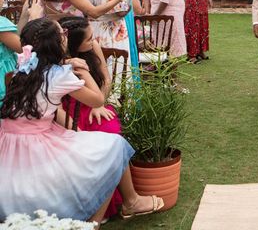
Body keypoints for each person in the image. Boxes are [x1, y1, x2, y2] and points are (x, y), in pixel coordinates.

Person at [0, 18, 164, 224]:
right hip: (36, 148)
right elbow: (98, 99)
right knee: (114, 147)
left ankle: (117, 208)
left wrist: (66, 62)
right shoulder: (59, 75)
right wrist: (82, 70)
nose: (65, 36)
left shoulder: (21, 68)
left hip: (8, 146)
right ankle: (93, 223)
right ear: (58, 43)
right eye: (62, 34)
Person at [59, 16, 123, 220]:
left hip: (95, 101)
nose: (93, 40)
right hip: (67, 108)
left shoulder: (94, 46)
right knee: (81, 142)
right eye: (88, 39)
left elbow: (105, 79)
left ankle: (108, 204)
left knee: (108, 129)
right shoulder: (60, 55)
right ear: (73, 44)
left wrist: (100, 103)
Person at [0, 0, 20, 106]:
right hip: (4, 81)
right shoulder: (1, 24)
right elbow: (24, 47)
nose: (3, 0)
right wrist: (33, 17)